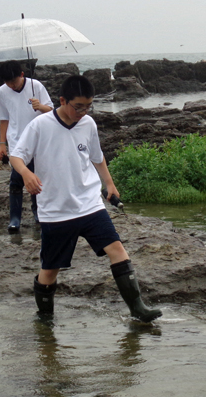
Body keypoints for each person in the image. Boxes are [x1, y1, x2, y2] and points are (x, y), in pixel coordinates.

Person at [9, 75, 162, 322]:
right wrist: (26, 173)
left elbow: (97, 156)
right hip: (56, 211)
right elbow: (16, 157)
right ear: (62, 100)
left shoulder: (88, 123)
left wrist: (109, 184)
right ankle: (45, 319)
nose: (82, 111)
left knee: (117, 249)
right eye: (78, 106)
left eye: (88, 106)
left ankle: (138, 308)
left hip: (90, 204)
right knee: (49, 270)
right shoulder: (40, 125)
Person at [0, 60, 54, 233]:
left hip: (38, 140)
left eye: (14, 81)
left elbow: (52, 111)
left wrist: (40, 106)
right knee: (16, 180)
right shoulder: (2, 91)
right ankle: (15, 218)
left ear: (22, 75)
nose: (11, 86)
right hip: (16, 141)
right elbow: (3, 118)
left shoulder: (36, 86)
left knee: (36, 178)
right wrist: (2, 144)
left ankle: (38, 213)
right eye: (8, 83)